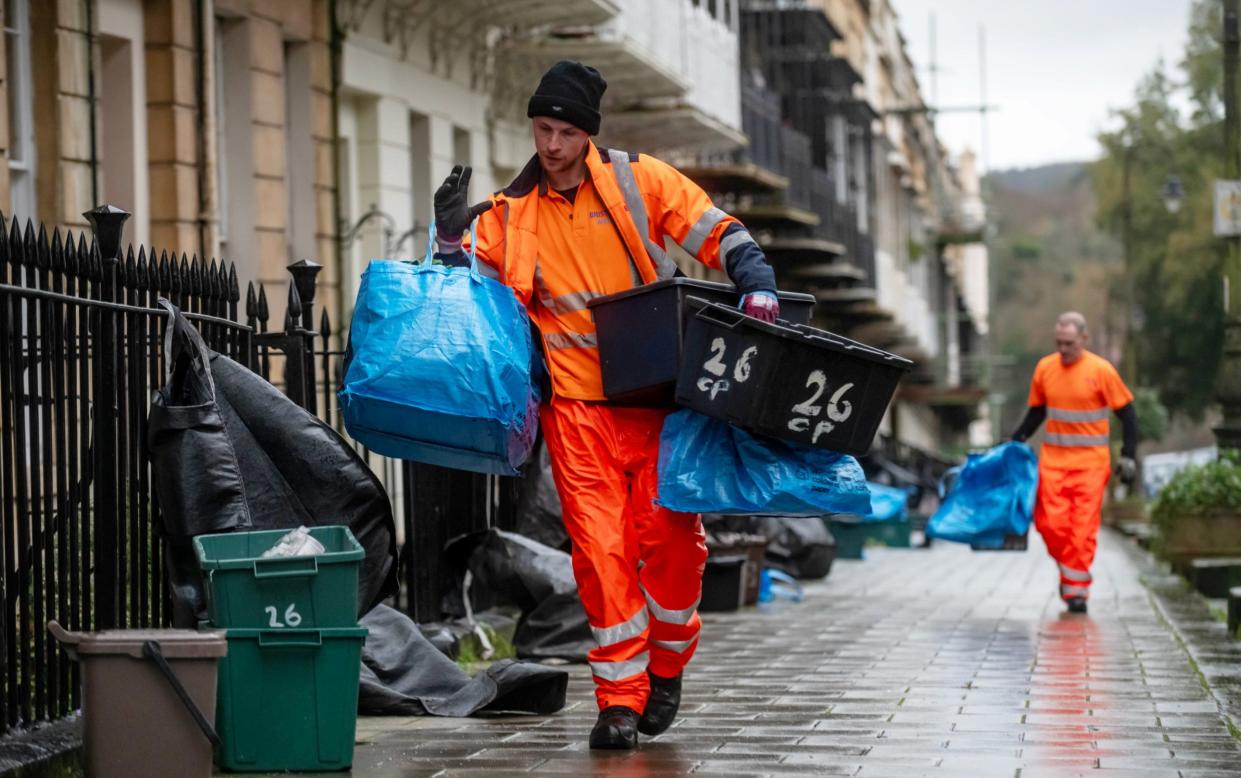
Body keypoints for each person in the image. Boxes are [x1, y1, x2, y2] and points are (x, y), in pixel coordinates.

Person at [430, 61, 781, 748]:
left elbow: (714, 227)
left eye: (564, 131)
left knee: (673, 546)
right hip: (577, 411)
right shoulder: (511, 215)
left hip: (654, 401)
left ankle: (668, 664)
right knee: (599, 552)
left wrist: (756, 279)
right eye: (542, 129)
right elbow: (460, 291)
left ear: (587, 133)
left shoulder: (637, 180)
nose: (552, 145)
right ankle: (618, 701)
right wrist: (446, 236)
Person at [1010, 312, 1137, 614]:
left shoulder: (1101, 371)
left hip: (1091, 466)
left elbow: (1128, 415)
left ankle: (1076, 593)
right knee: (1048, 524)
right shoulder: (1045, 368)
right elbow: (1037, 413)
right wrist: (1013, 442)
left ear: (1084, 339)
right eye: (1059, 343)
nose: (1063, 349)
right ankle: (1072, 576)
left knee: (1081, 531)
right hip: (1053, 463)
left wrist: (1129, 454)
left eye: (1069, 343)